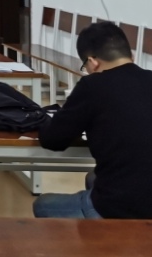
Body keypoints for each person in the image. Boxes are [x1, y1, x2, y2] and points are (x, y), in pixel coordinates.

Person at [33, 22, 152, 219]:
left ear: (92, 62)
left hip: (122, 208)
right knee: (92, 178)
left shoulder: (93, 85)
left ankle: (102, 230)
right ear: (132, 55)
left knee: (43, 204)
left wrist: (44, 120)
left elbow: (52, 140)